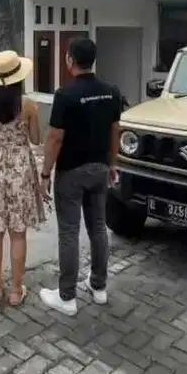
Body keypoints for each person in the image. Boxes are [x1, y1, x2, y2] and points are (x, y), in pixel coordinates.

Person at [39, 36, 123, 316]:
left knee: (69, 232)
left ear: (70, 60)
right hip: (100, 169)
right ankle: (98, 287)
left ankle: (67, 297)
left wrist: (44, 172)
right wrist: (112, 163)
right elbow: (115, 131)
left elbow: (54, 138)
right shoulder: (111, 92)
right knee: (98, 228)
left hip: (71, 173)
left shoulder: (65, 94)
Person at [0, 50, 45, 306]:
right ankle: (15, 290)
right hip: (20, 170)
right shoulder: (27, 105)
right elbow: (36, 139)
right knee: (18, 233)